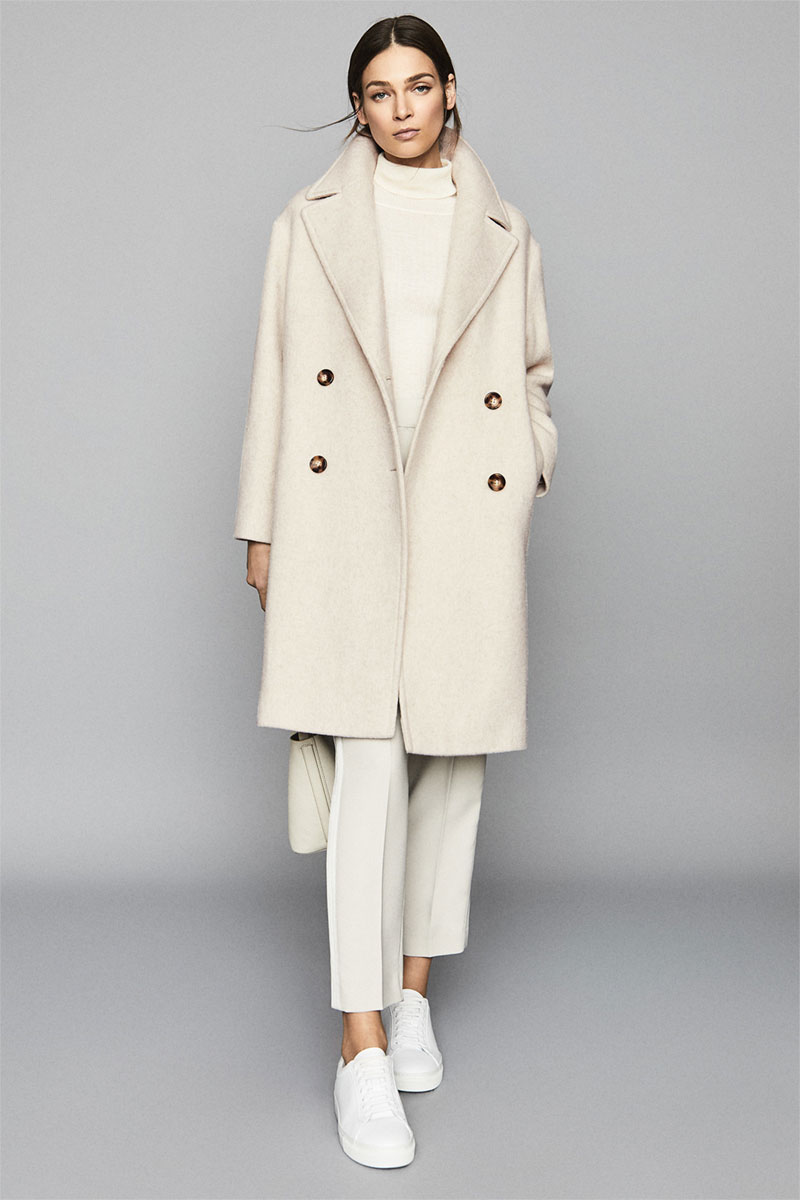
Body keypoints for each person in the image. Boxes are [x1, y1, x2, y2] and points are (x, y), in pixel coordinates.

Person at [234, 14, 557, 1170]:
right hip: (346, 518)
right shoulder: (309, 221)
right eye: (379, 92)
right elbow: (276, 375)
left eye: (418, 86)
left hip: (460, 514)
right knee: (366, 768)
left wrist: (523, 468)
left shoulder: (503, 228)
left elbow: (533, 374)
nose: (401, 108)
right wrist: (262, 524)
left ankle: (412, 993)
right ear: (358, 107)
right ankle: (358, 1039)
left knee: (450, 768)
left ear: (450, 91)